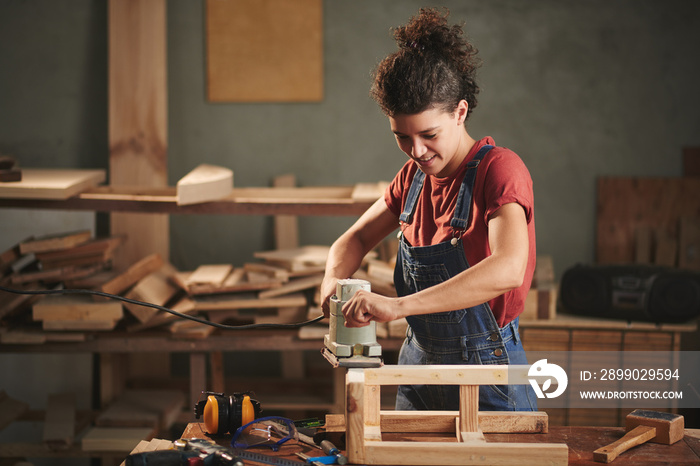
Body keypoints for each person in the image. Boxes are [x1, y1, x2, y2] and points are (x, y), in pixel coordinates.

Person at [321, 7, 537, 412]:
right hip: (417, 366)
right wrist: (333, 281)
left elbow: (508, 268)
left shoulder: (500, 170)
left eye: (429, 134)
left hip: (485, 373)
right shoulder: (413, 178)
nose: (417, 151)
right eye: (401, 136)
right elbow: (354, 239)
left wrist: (398, 307)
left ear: (460, 111)